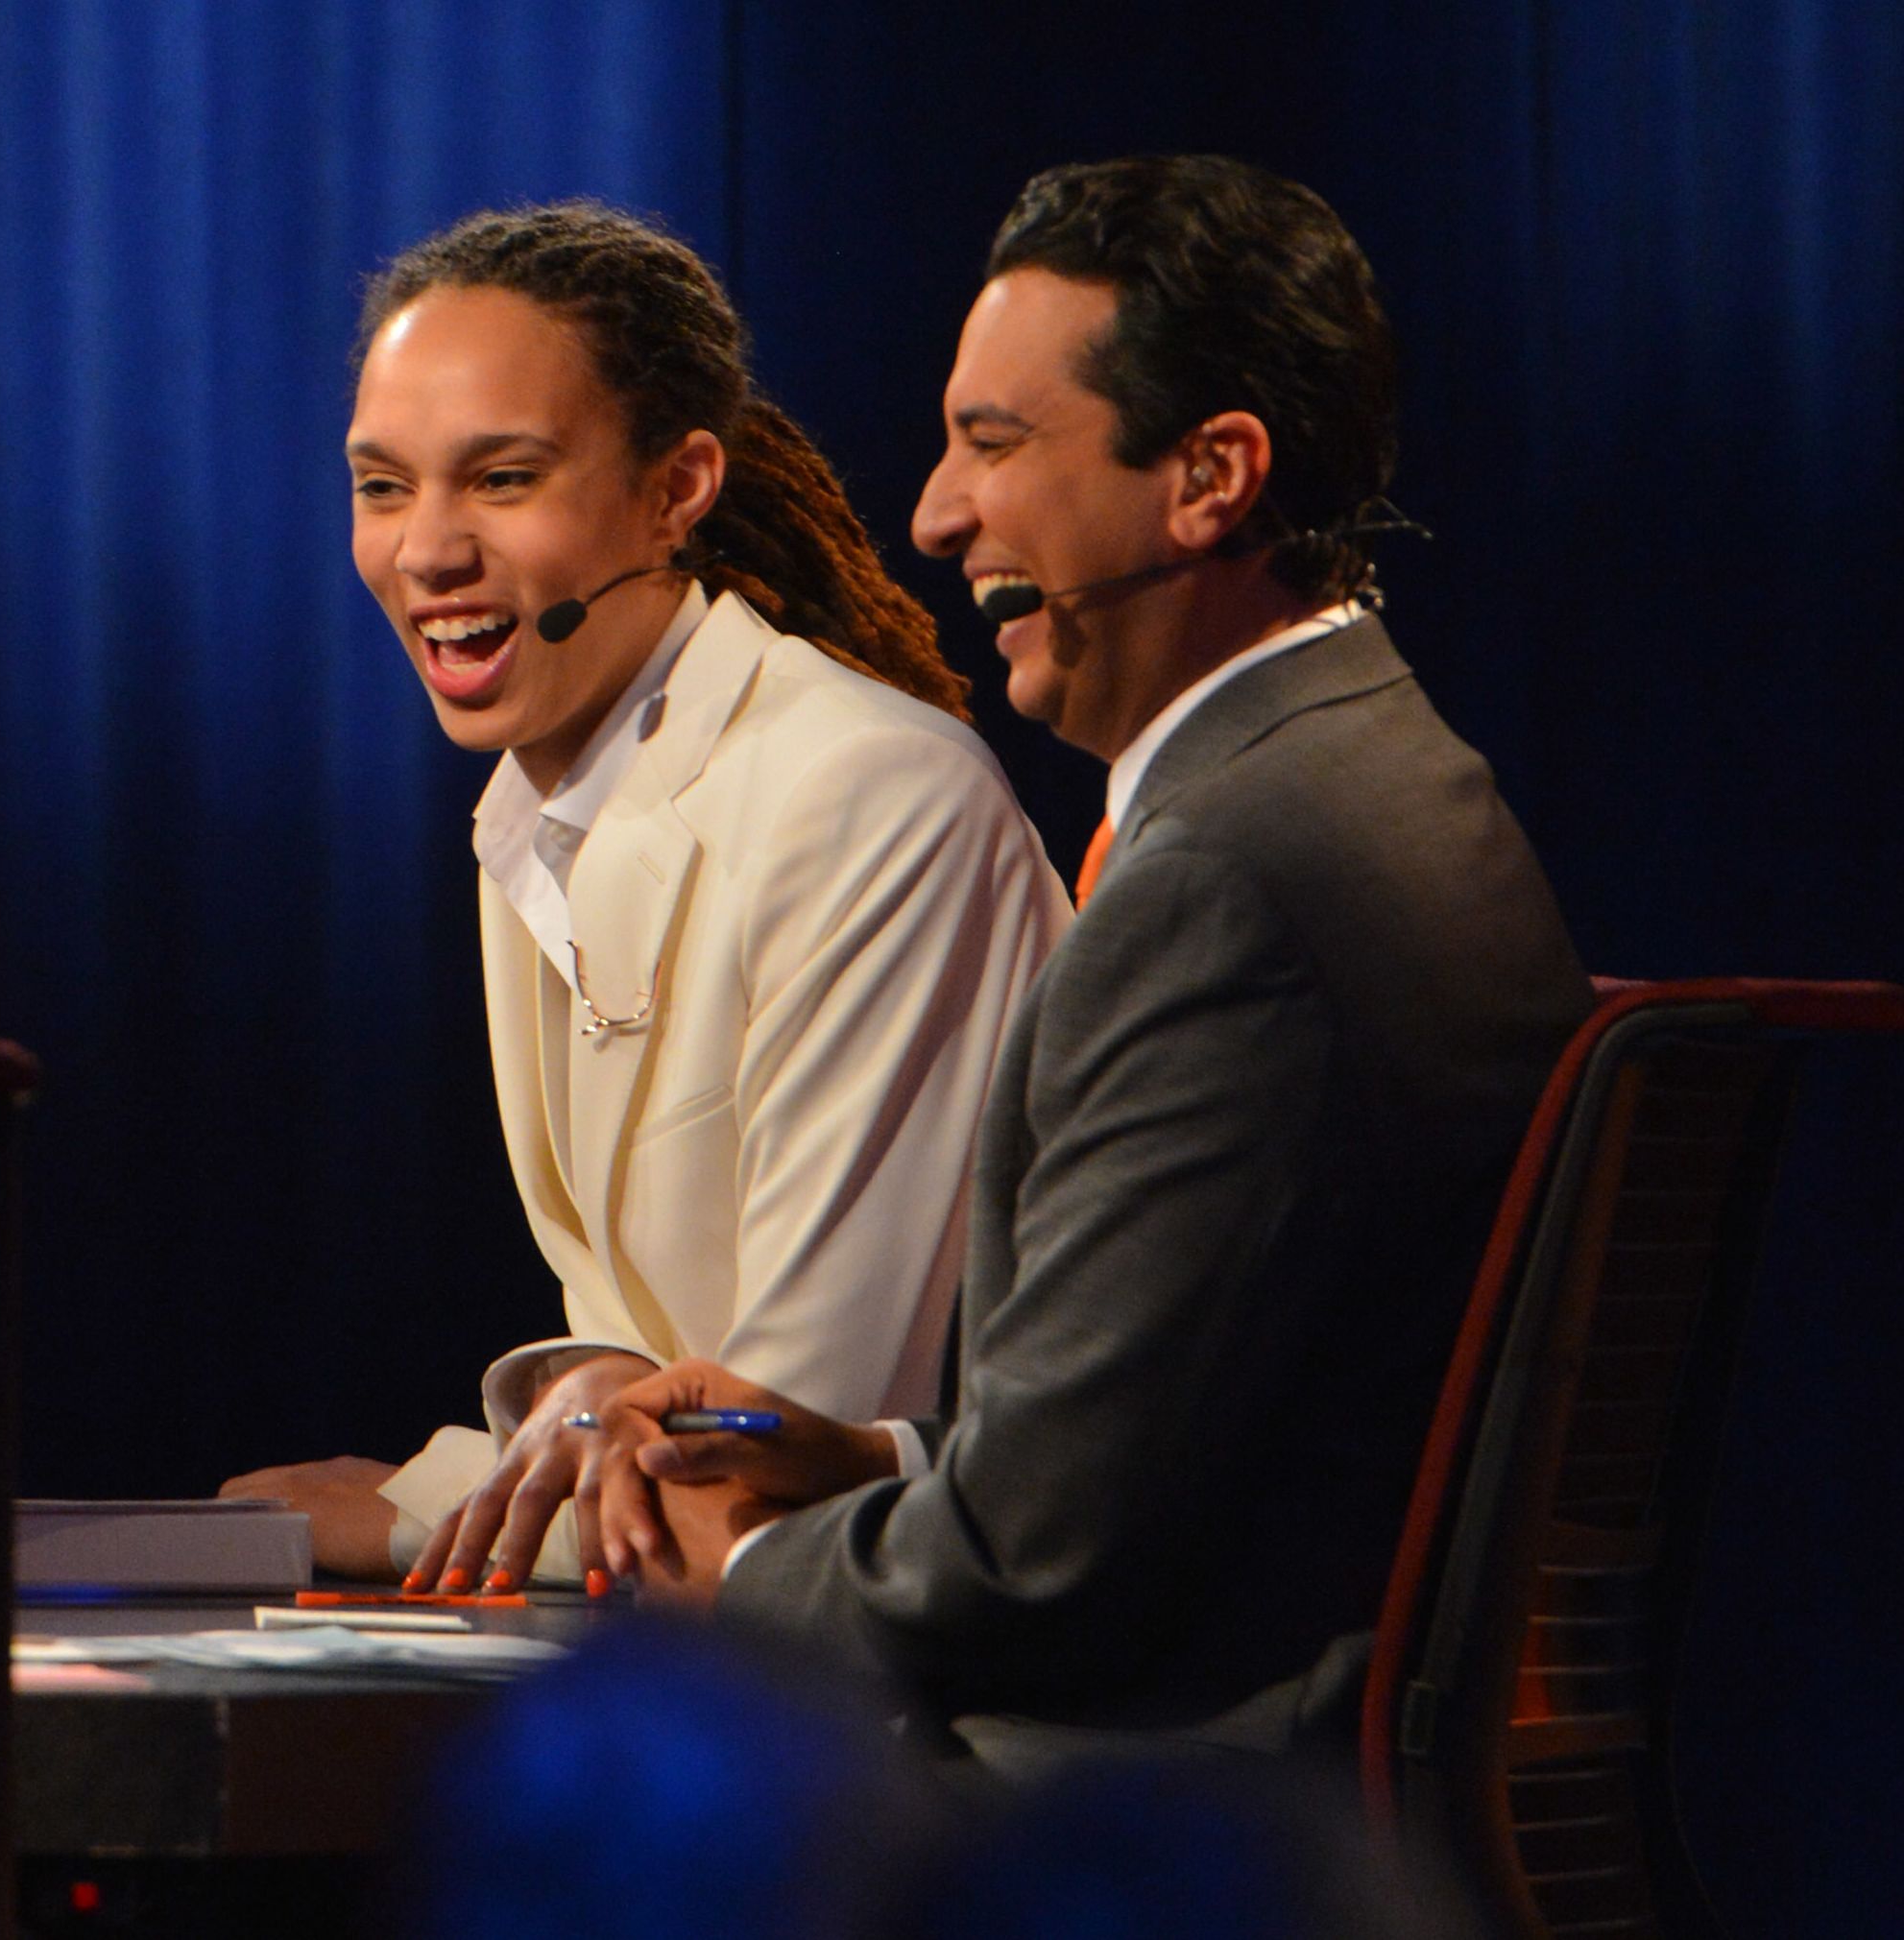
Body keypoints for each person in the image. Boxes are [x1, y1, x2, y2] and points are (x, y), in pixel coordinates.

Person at [597, 156, 1590, 1758]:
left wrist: (749, 1570)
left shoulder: (1239, 883)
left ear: (1211, 476)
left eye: (994, 445)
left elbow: (1034, 1573)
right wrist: (872, 1461)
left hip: (1145, 1834)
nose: (931, 514)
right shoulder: (1369, 778)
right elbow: (1181, 1451)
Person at [222, 203, 1066, 1590]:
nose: (426, 550)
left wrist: (437, 1503)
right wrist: (561, 1413)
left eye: (502, 479)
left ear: (677, 490)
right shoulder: (538, 804)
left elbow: (777, 1469)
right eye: (383, 486)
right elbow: (638, 1371)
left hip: (939, 1712)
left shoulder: (865, 794)